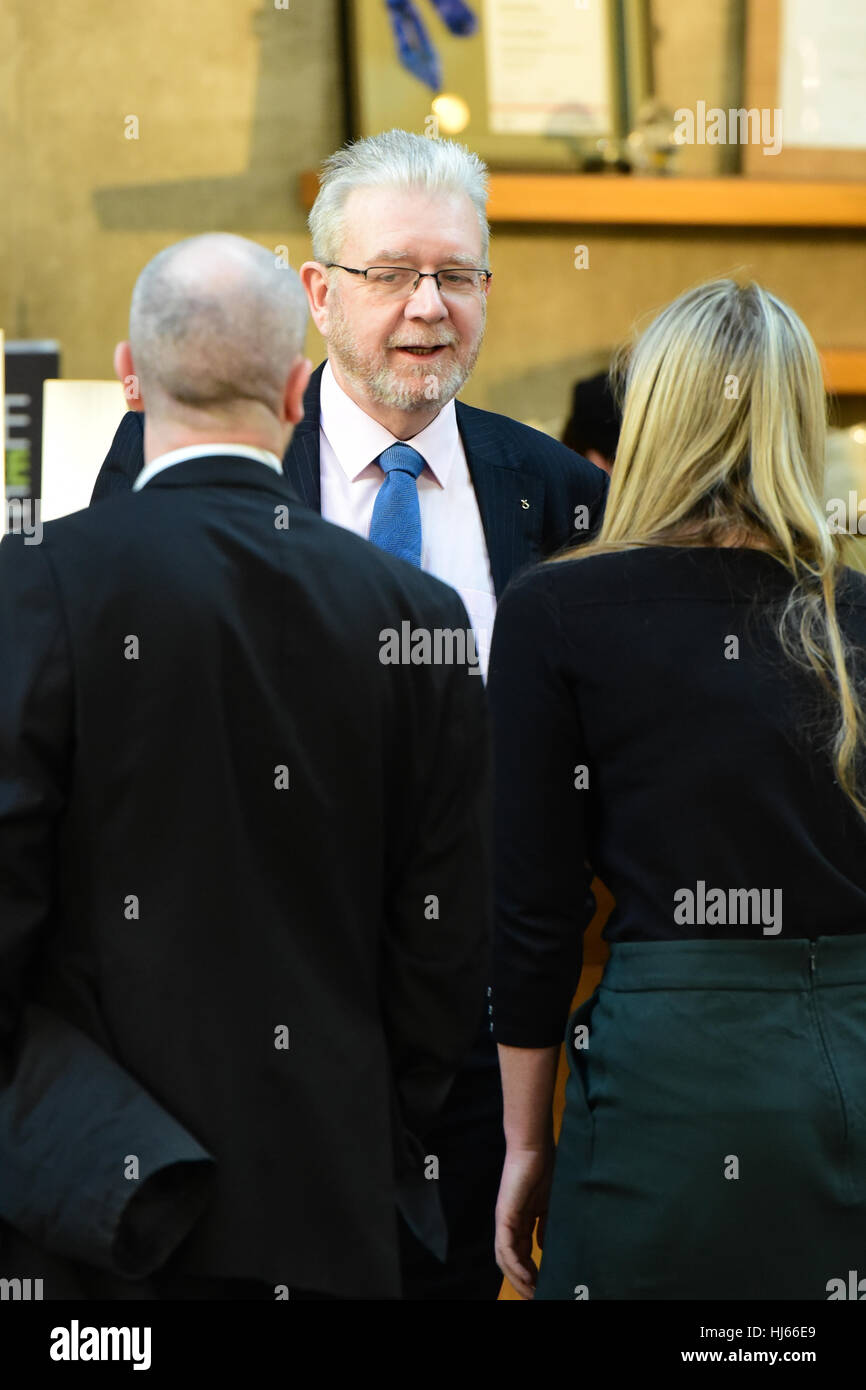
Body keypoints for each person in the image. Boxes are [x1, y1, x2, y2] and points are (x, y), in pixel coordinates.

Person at [89, 129, 608, 1301]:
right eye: (392, 274)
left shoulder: (565, 495)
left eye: (459, 275)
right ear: (318, 293)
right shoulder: (180, 457)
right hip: (235, 1031)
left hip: (477, 1038)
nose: (429, 307)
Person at [0, 233, 491, 1301]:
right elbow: (442, 944)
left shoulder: (35, 588)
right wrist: (375, 1117)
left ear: (131, 376)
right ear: (297, 387)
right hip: (325, 1201)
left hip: (95, 1220)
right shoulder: (415, 615)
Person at [487, 279, 866, 1300]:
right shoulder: (854, 612)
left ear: (651, 411)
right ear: (798, 418)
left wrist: (525, 1142)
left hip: (670, 1077)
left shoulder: (557, 610)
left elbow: (533, 916)